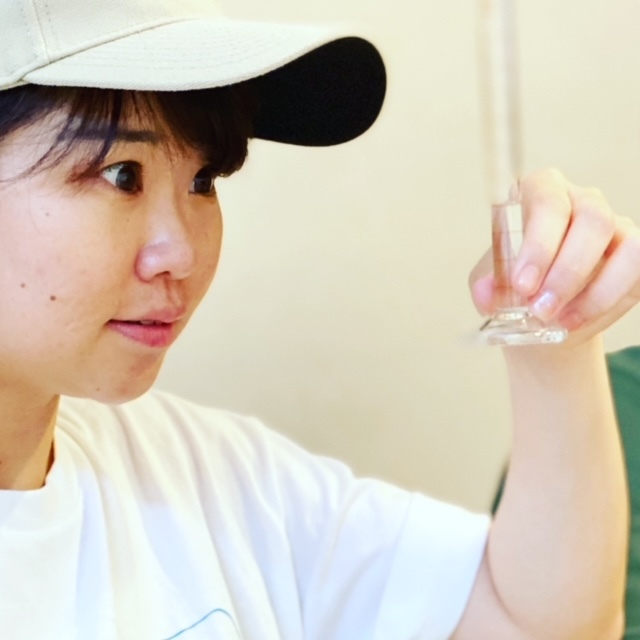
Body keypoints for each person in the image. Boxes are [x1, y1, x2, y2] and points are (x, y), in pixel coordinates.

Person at [0, 1, 634, 639]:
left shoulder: (197, 477)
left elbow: (535, 622)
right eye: (121, 175)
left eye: (203, 179)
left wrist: (557, 336)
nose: (182, 253)